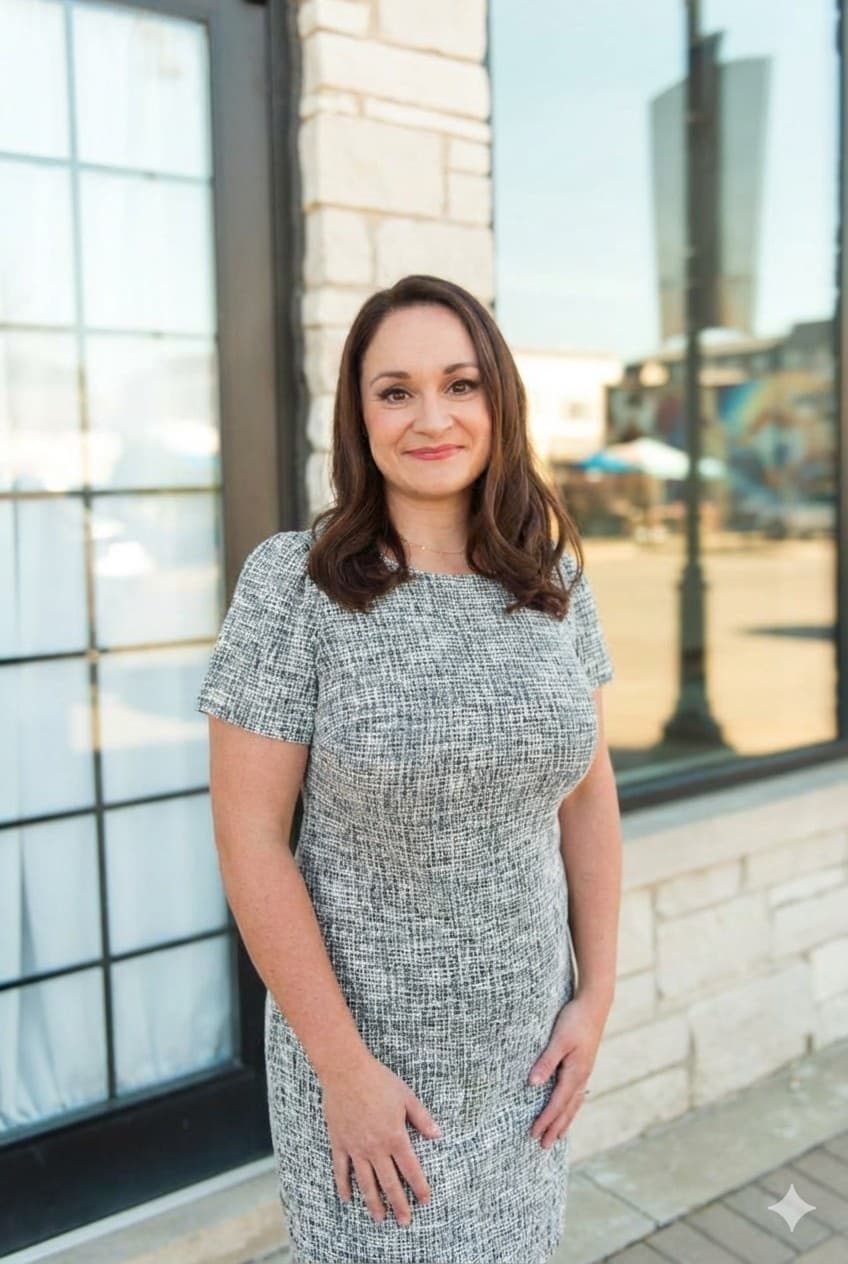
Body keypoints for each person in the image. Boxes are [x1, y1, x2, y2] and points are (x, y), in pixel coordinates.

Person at [196, 274, 622, 1264]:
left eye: (458, 383)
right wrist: (343, 1074)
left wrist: (594, 997)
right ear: (358, 413)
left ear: (496, 402)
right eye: (394, 390)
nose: (430, 416)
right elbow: (250, 841)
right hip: (365, 1075)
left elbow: (588, 798)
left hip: (525, 1061)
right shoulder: (292, 588)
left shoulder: (551, 577)